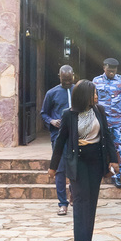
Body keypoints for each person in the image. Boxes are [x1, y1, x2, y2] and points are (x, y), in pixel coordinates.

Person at [48, 81, 121, 241]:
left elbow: (107, 136)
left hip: (96, 160)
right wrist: (53, 166)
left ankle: (88, 238)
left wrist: (114, 160)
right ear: (83, 96)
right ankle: (80, 240)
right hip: (77, 160)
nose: (96, 96)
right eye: (93, 93)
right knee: (80, 199)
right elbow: (60, 143)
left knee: (91, 199)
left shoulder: (99, 111)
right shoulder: (69, 115)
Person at [93, 58, 121, 188]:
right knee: (99, 146)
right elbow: (91, 100)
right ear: (104, 68)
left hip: (118, 121)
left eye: (114, 71)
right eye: (109, 70)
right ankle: (100, 172)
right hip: (101, 121)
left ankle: (117, 175)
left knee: (118, 148)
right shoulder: (96, 81)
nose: (111, 73)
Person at [41, 66, 75, 216]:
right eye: (64, 79)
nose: (67, 82)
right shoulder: (51, 93)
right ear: (59, 77)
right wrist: (52, 121)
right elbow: (44, 113)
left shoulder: (78, 91)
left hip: (76, 136)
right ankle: (63, 203)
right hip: (59, 137)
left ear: (73, 76)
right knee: (60, 170)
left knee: (76, 168)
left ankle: (74, 195)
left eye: (69, 79)